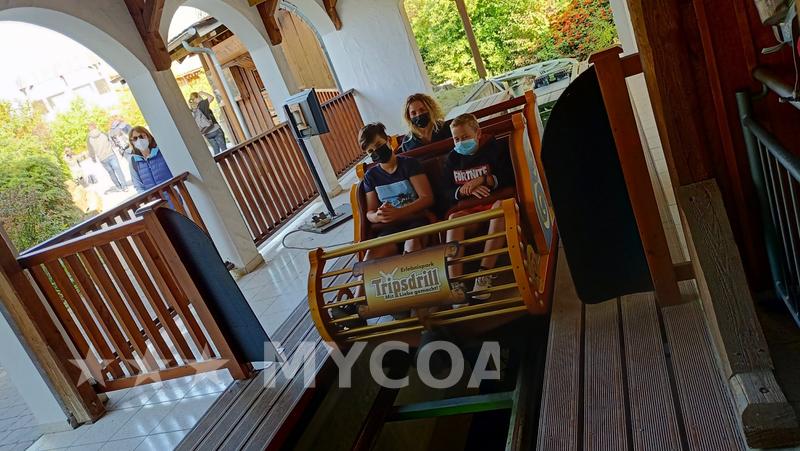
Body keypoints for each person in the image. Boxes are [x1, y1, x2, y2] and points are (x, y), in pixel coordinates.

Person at [443, 113, 515, 300]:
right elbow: (446, 190)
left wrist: (483, 179)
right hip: (471, 207)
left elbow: (509, 175)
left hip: (495, 202)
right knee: (454, 220)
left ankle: (484, 274)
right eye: (456, 139)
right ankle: (455, 284)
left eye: (465, 137)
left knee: (500, 208)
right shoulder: (452, 159)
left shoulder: (495, 148)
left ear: (478, 133)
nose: (461, 142)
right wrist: (464, 190)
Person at [360, 122, 435, 258]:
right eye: (371, 151)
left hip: (416, 220)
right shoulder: (371, 177)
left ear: (388, 140)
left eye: (378, 145)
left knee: (412, 247)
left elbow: (427, 198)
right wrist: (378, 216)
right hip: (390, 228)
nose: (376, 152)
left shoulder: (409, 164)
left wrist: (399, 212)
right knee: (370, 256)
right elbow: (370, 212)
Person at [128, 126, 173, 193]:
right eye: (135, 138)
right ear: (132, 142)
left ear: (148, 137)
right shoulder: (133, 161)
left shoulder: (162, 152)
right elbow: (138, 186)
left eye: (141, 136)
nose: (139, 140)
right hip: (155, 199)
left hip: (174, 196)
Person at [87, 123, 127, 192]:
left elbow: (90, 150)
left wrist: (93, 158)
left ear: (89, 129)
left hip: (102, 158)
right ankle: (125, 186)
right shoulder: (103, 133)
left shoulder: (89, 139)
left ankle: (119, 187)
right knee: (118, 170)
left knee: (111, 173)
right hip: (110, 154)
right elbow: (110, 140)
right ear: (95, 126)